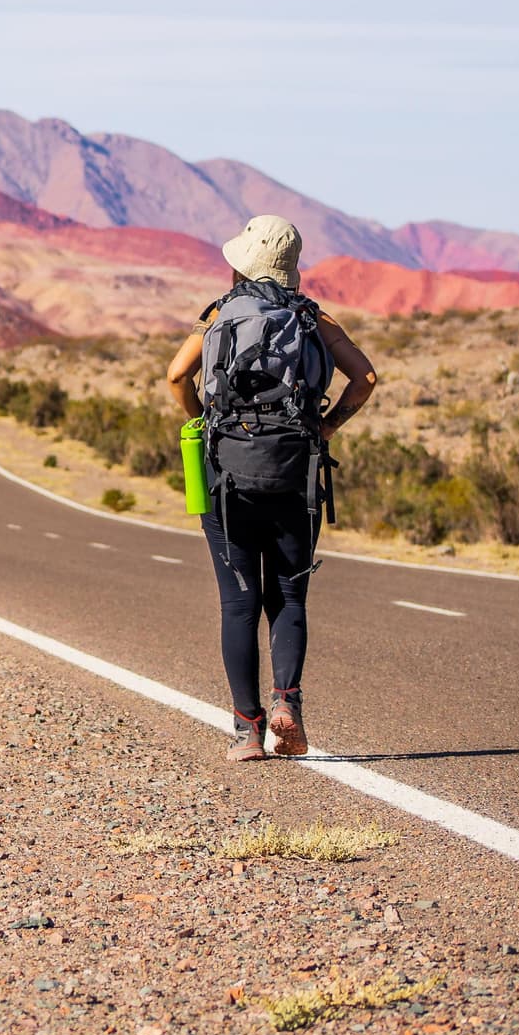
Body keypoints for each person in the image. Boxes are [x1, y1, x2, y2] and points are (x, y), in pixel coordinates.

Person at [165, 215, 378, 762]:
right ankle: (287, 705)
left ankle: (246, 732)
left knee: (238, 604)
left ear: (240, 262)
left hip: (226, 477)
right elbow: (366, 378)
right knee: (287, 595)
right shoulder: (313, 317)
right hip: (296, 472)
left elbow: (174, 377)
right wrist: (327, 427)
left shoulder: (216, 315)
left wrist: (201, 422)